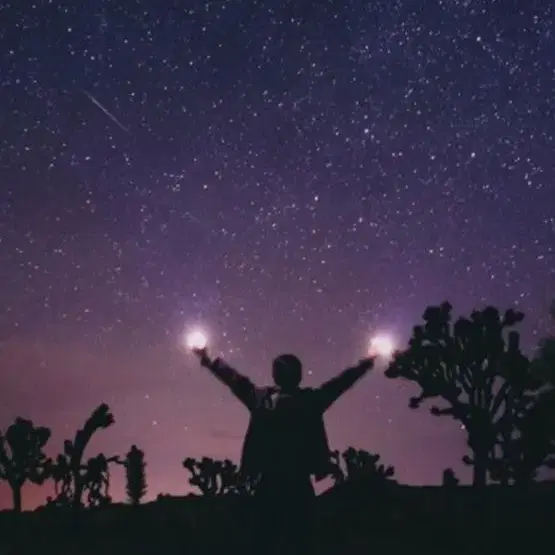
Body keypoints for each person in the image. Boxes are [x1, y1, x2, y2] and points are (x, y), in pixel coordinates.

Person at [191, 348, 375, 555]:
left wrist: (209, 361)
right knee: (268, 540)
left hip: (291, 482)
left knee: (296, 541)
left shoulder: (289, 400)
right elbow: (339, 384)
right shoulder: (287, 400)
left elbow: (235, 381)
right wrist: (209, 362)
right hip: (276, 482)